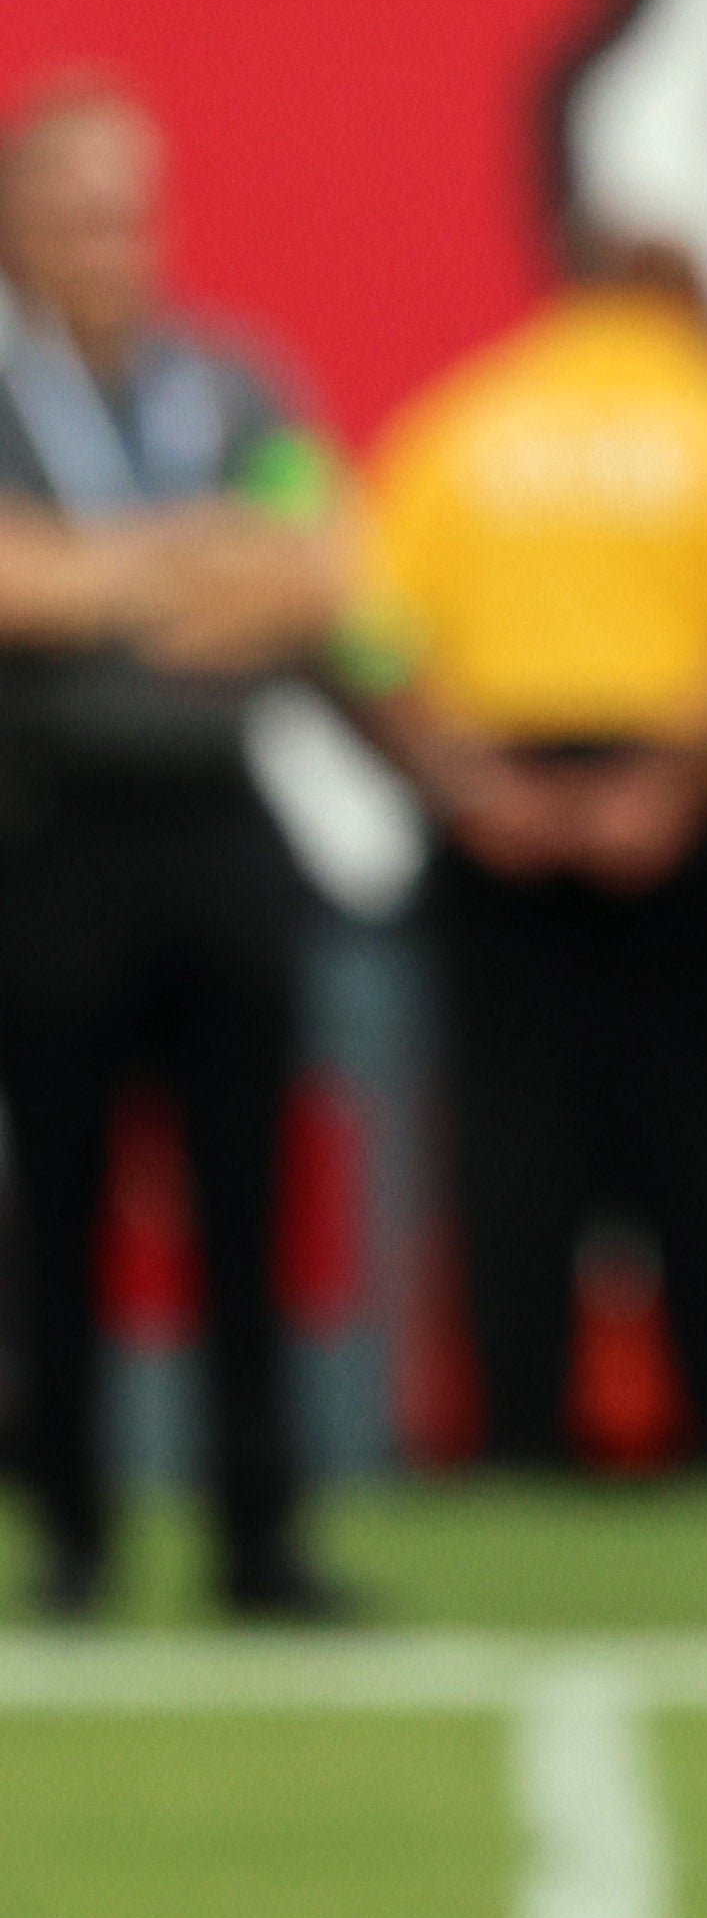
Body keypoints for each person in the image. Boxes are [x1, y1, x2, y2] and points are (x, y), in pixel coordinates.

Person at [347, 236, 707, 1475]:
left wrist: (473, 788)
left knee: (512, 1139)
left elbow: (367, 636)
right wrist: (667, 793)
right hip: (694, 800)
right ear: (691, 298)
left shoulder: (468, 419)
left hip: (502, 794)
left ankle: (518, 1433)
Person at [0, 82, 356, 1620]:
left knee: (243, 1197)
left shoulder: (234, 379)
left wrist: (103, 572)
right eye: (73, 207)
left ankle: (258, 1534)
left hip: (222, 829)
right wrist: (182, 553)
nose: (106, 238)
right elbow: (18, 597)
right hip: (47, 826)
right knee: (58, 1200)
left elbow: (317, 574)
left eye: (125, 206)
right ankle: (74, 1531)